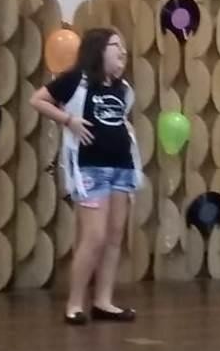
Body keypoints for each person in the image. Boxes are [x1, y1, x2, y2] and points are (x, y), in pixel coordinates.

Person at [30, 27, 142, 324]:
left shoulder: (122, 87)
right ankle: (75, 303)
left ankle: (103, 301)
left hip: (122, 167)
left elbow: (120, 120)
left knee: (115, 235)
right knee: (95, 236)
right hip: (91, 167)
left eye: (123, 47)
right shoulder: (76, 81)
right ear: (99, 49)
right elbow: (38, 100)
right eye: (116, 46)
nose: (122, 52)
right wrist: (69, 120)